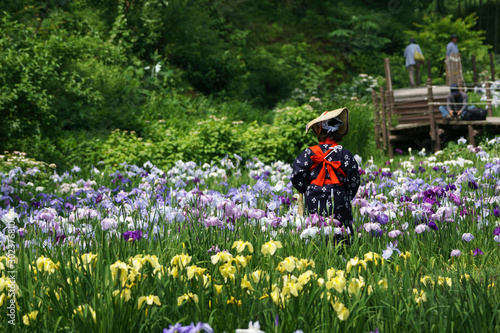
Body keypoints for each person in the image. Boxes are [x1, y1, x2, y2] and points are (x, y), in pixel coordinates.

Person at [291, 108, 360, 237]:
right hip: (339, 199)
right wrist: (345, 194)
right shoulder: (345, 154)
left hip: (313, 198)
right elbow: (354, 180)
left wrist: (309, 188)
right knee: (340, 233)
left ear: (319, 130)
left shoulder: (309, 152)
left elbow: (297, 176)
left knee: (315, 231)